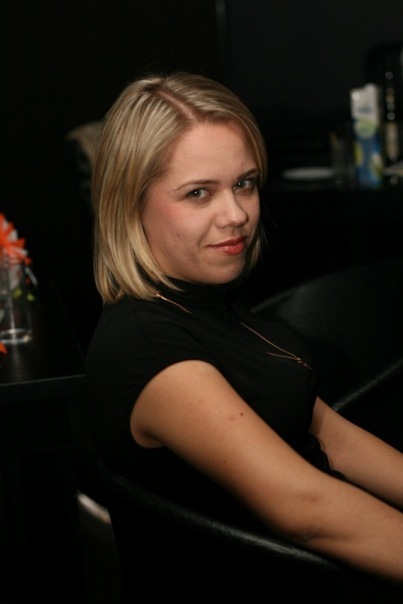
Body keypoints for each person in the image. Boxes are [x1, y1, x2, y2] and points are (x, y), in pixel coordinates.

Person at [86, 72, 403, 586]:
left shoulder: (211, 307)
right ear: (130, 204)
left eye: (244, 184)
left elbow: (333, 438)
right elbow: (306, 508)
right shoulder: (148, 348)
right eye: (198, 193)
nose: (235, 214)